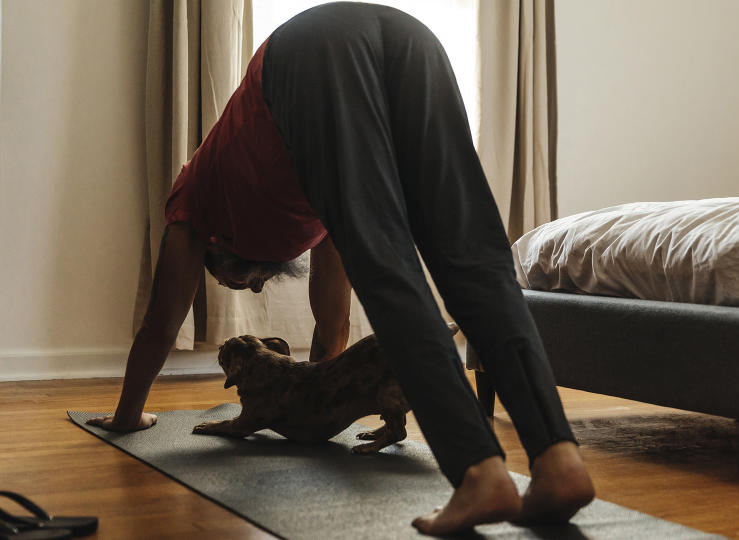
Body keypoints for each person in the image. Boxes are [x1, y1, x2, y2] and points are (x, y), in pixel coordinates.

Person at [88, 3, 594, 534]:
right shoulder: (311, 209)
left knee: (389, 266)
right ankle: (559, 463)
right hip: (410, 38)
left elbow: (159, 326)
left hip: (306, 55)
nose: (240, 285)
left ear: (222, 253)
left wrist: (127, 418)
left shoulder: (193, 198)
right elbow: (333, 329)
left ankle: (478, 471)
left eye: (226, 280)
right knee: (475, 255)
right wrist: (314, 413)